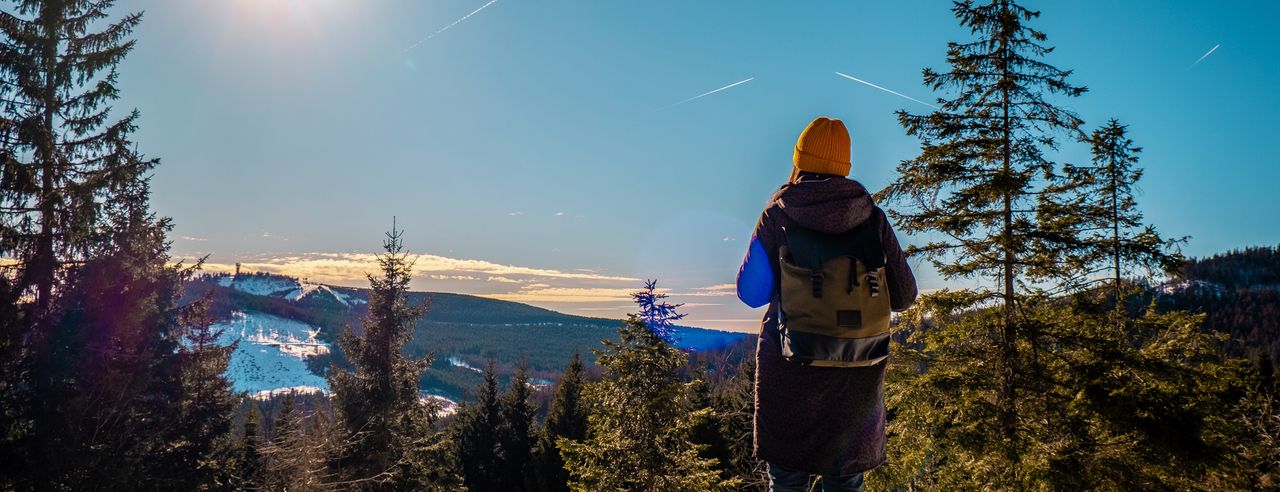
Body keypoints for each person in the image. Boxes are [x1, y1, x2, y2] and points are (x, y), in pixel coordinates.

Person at [736, 116, 917, 492]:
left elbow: (750, 294)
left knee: (786, 484)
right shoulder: (872, 217)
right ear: (844, 166)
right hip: (855, 395)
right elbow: (904, 296)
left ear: (800, 159)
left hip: (790, 385)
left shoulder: (779, 213)